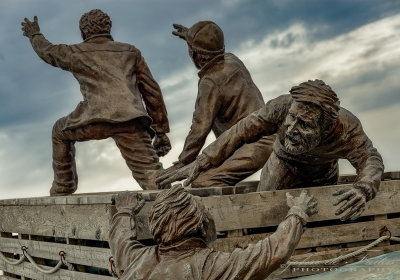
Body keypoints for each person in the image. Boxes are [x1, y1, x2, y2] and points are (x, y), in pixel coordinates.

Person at [157, 80, 384, 221]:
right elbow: (240, 132)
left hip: (321, 174)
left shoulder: (346, 128)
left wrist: (363, 189)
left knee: (324, 220)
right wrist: (202, 161)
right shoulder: (281, 107)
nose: (291, 129)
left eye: (304, 124)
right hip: (282, 165)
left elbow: (370, 159)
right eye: (291, 118)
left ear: (325, 128)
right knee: (264, 214)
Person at [21, 10, 171, 195]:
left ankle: (63, 186)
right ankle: (174, 201)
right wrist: (161, 129)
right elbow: (152, 92)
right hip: (130, 121)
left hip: (93, 119)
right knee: (153, 177)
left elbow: (48, 51)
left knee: (59, 132)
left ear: (84, 33)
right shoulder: (130, 52)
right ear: (108, 29)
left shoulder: (74, 52)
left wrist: (34, 35)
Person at [110, 184, 318, 279]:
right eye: (205, 210)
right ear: (199, 224)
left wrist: (125, 210)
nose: (209, 215)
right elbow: (273, 251)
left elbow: (120, 238)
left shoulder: (135, 257)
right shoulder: (210, 266)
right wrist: (298, 212)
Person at [160, 21, 275, 188]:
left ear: (196, 56)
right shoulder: (233, 60)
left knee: (201, 183)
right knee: (204, 174)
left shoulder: (210, 82)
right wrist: (192, 38)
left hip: (252, 147)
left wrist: (182, 163)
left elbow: (199, 129)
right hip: (269, 137)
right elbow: (213, 48)